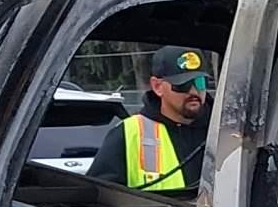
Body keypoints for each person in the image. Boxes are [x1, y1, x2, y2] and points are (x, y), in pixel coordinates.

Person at [90, 46, 213, 192]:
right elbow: (100, 197)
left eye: (200, 82)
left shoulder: (226, 129)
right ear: (157, 86)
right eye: (183, 85)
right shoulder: (129, 134)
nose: (194, 91)